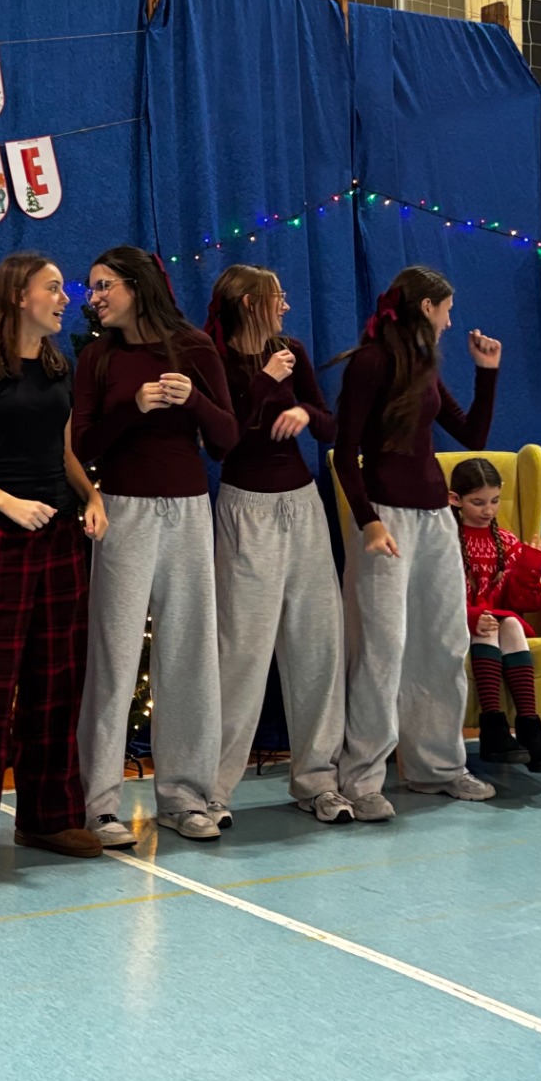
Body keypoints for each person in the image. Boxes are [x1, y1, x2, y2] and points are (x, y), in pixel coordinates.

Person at [0, 253, 108, 883]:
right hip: (2, 537)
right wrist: (9, 504)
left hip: (60, 537)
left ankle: (48, 816)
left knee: (57, 680)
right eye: (53, 288)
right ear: (18, 296)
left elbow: (62, 452)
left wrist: (91, 497)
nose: (65, 298)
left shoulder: (61, 366)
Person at [72, 246, 237, 846]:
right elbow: (83, 445)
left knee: (190, 652)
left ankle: (186, 797)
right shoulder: (98, 357)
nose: (94, 297)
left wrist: (193, 400)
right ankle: (99, 805)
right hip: (124, 512)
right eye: (92, 287)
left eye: (104, 285)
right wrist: (132, 407)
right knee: (113, 655)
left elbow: (227, 439)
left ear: (137, 286)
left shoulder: (194, 346)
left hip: (189, 511)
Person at [331, 266, 502, 817]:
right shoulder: (371, 362)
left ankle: (439, 767)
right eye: (446, 309)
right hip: (387, 521)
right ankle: (362, 778)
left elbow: (472, 435)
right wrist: (368, 521)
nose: (450, 321)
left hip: (435, 520)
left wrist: (487, 373)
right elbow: (345, 451)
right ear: (426, 307)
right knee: (382, 650)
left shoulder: (424, 364)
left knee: (443, 644)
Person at [203, 265, 351, 826]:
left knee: (317, 645)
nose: (285, 306)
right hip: (247, 509)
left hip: (302, 506)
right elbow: (222, 443)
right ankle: (213, 789)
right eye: (277, 297)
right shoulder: (215, 359)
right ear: (249, 302)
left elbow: (330, 426)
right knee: (241, 652)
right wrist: (265, 382)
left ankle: (318, 780)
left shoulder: (292, 351)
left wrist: (303, 411)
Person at [447, 457, 541, 773]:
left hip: (495, 622)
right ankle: (493, 724)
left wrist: (529, 567)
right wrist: (470, 616)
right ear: (455, 499)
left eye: (495, 500)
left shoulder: (506, 541)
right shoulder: (445, 539)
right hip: (455, 623)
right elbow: (435, 596)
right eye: (478, 502)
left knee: (509, 621)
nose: (488, 510)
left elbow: (522, 603)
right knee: (492, 624)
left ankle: (529, 726)